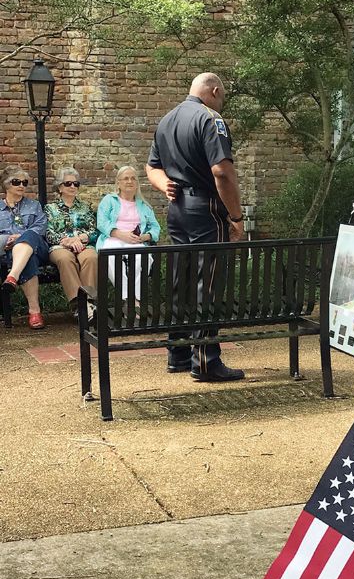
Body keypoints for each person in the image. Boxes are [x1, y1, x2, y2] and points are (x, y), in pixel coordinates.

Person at [146, 71, 245, 382]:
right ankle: (204, 361)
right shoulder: (210, 119)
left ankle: (178, 353)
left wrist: (164, 185)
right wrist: (237, 217)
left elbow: (152, 166)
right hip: (206, 209)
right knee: (208, 283)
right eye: (222, 98)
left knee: (182, 280)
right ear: (214, 90)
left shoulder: (167, 120)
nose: (222, 104)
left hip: (177, 211)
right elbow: (222, 173)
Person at [96, 166, 161, 300]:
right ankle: (127, 299)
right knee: (112, 258)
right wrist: (120, 234)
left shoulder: (144, 205)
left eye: (133, 178)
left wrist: (146, 236)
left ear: (137, 184)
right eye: (126, 178)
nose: (129, 181)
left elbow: (155, 227)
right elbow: (101, 222)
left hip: (135, 241)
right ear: (118, 183)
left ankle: (136, 299)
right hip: (112, 239)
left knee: (143, 259)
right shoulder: (109, 200)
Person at [45, 167, 98, 320]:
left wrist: (81, 238)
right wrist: (66, 241)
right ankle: (78, 305)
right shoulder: (50, 208)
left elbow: (94, 230)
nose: (73, 187)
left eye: (76, 184)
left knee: (91, 257)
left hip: (83, 244)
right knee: (65, 259)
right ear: (60, 187)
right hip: (60, 246)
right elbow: (48, 233)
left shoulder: (85, 207)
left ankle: (89, 302)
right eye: (68, 184)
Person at [0, 165, 49, 329]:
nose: (21, 185)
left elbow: (41, 228)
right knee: (28, 258)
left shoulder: (34, 205)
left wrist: (20, 237)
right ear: (6, 184)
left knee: (29, 237)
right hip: (10, 252)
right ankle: (34, 312)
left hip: (38, 248)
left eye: (24, 182)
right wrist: (7, 239)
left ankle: (12, 276)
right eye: (16, 182)